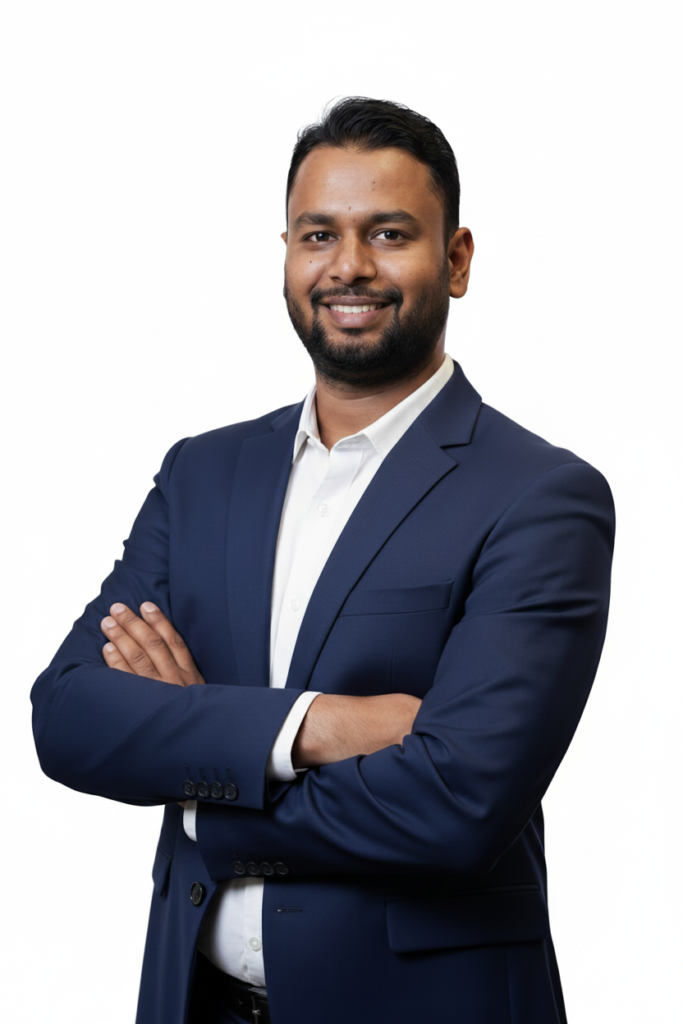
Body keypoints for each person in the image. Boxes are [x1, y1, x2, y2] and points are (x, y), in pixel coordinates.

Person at [31, 97, 615, 1024]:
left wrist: (199, 783)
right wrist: (316, 726)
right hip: (195, 1001)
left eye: (388, 233)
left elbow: (458, 805)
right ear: (287, 254)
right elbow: (68, 716)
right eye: (318, 235)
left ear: (456, 260)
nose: (348, 266)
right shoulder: (202, 473)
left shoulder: (541, 496)